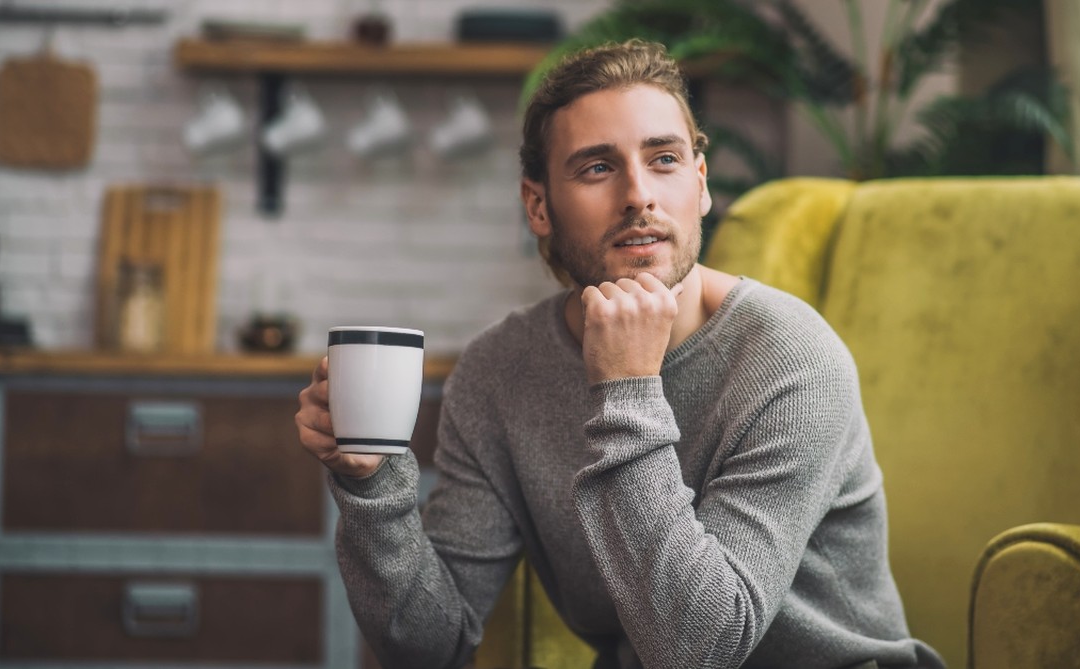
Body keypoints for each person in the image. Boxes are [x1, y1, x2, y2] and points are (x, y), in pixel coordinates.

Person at [296, 39, 944, 669]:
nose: (639, 194)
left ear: (701, 183)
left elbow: (699, 649)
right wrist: (370, 483)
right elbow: (428, 646)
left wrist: (627, 388)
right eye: (598, 167)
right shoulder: (500, 374)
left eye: (663, 159)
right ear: (538, 205)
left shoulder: (791, 359)